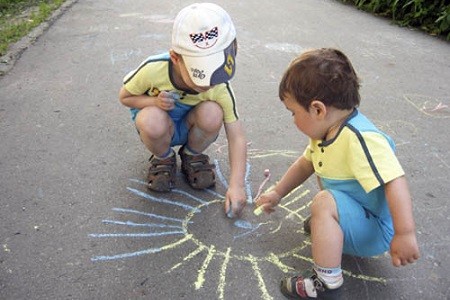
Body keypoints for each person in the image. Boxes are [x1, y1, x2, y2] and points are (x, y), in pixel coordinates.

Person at [255, 48, 420, 299]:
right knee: (325, 206)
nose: (292, 120)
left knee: (323, 202)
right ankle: (331, 227)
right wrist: (277, 193)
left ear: (318, 109)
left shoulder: (360, 139)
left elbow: (394, 181)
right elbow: (305, 164)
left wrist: (404, 233)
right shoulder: (326, 131)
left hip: (374, 230)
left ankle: (326, 282)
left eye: (293, 112)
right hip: (359, 217)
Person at [119, 3, 247, 218]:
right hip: (161, 127)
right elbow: (125, 97)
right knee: (150, 119)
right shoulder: (154, 69)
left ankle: (192, 156)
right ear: (176, 58)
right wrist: (153, 103)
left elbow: (237, 137)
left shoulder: (220, 88)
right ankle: (164, 158)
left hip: (191, 127)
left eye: (214, 74)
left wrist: (237, 186)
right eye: (200, 73)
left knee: (213, 113)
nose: (208, 84)